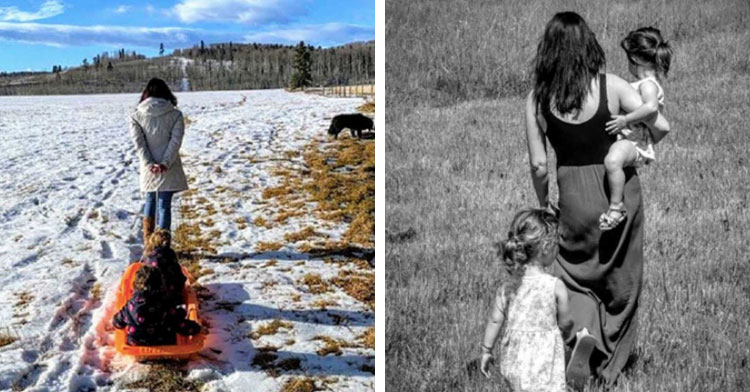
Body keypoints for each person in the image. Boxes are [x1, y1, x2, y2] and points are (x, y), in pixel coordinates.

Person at [524, 12, 670, 385]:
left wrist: (546, 204)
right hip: (617, 192)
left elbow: (539, 165)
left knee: (573, 273)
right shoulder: (613, 85)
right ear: (588, 45)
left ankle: (583, 335)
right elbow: (658, 123)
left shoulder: (537, 99)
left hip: (572, 195)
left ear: (548, 52)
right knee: (621, 279)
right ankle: (609, 368)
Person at [479, 208, 576, 392]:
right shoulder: (555, 286)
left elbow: (495, 320)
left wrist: (486, 350)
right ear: (547, 247)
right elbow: (565, 322)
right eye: (557, 244)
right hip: (544, 362)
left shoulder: (507, 287)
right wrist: (570, 331)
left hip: (514, 361)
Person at [600, 27, 673, 230]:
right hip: (630, 139)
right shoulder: (644, 83)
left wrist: (626, 120)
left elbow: (650, 108)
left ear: (635, 59)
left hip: (636, 142)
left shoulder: (648, 84)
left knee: (613, 161)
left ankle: (616, 207)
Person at [130, 78, 188, 242]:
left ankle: (149, 244)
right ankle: (163, 246)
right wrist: (165, 163)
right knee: (164, 204)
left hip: (148, 168)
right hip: (168, 167)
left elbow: (139, 144)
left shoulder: (136, 115)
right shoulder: (175, 114)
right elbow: (175, 142)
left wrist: (149, 164)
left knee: (150, 201)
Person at [112, 265, 200, 346]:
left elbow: (118, 322)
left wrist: (116, 320)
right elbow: (179, 324)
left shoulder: (131, 306)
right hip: (165, 343)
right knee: (175, 316)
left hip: (137, 343)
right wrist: (196, 328)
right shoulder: (164, 305)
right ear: (160, 285)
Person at [141, 228, 187, 307]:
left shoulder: (148, 257)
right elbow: (179, 275)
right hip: (171, 295)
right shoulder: (170, 254)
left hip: (151, 295)